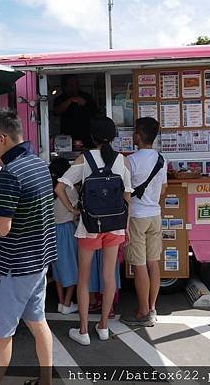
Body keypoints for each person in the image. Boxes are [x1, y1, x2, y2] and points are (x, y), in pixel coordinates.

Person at [0, 110, 56, 385]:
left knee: (0, 337)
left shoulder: (10, 173)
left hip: (14, 267)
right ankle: (46, 380)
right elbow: (32, 203)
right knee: (38, 323)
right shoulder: (38, 164)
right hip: (39, 262)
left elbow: (2, 227)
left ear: (3, 138)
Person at [55, 116, 132, 346]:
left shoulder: (84, 159)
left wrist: (73, 210)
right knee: (109, 277)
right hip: (115, 226)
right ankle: (104, 327)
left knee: (84, 278)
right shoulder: (122, 161)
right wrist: (125, 227)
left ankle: (83, 331)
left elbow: (60, 188)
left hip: (89, 226)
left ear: (92, 137)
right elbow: (127, 197)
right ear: (114, 137)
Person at [121, 117, 166, 327]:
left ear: (139, 134)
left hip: (137, 217)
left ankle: (142, 312)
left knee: (139, 266)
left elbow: (125, 193)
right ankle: (153, 308)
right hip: (155, 215)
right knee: (153, 263)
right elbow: (163, 189)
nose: (133, 135)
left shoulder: (130, 160)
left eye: (134, 131)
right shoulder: (161, 159)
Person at [49, 158, 79, 315]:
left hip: (51, 231)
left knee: (58, 269)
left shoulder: (47, 188)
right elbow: (74, 211)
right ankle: (67, 303)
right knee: (73, 268)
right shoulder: (69, 188)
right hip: (67, 230)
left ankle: (61, 302)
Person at [53, 75, 98, 147]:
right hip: (67, 136)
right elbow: (56, 112)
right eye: (71, 85)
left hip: (86, 133)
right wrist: (70, 100)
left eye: (76, 84)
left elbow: (95, 112)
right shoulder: (60, 99)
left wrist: (85, 103)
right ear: (65, 87)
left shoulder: (86, 97)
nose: (75, 87)